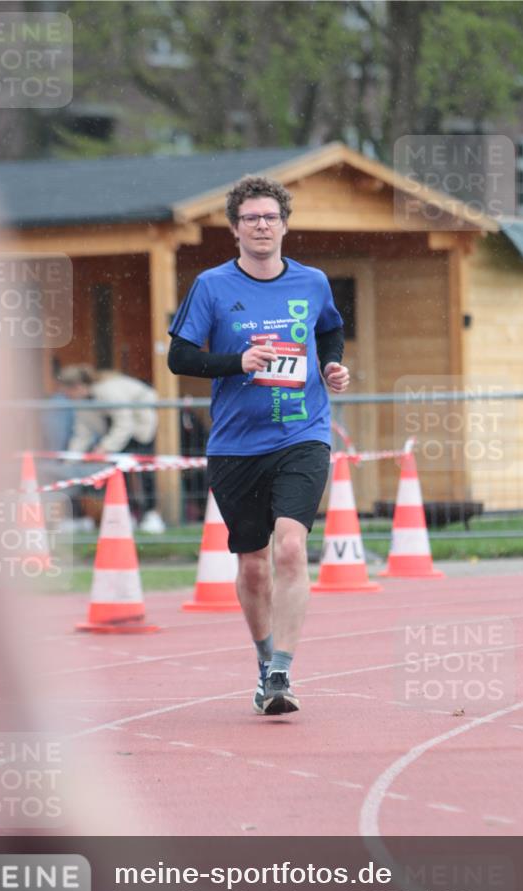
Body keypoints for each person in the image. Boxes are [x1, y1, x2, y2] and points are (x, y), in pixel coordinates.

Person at [168, 175, 349, 716]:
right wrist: (237, 362)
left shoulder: (313, 282)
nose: (262, 225)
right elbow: (180, 359)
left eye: (271, 216)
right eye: (252, 218)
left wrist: (333, 367)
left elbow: (329, 332)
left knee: (291, 547)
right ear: (235, 229)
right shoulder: (212, 286)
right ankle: (263, 658)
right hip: (236, 445)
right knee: (252, 563)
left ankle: (282, 671)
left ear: (285, 225)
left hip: (302, 433)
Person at [58, 364, 166, 533]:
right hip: (118, 434)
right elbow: (82, 433)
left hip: (140, 428)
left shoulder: (108, 391)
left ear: (78, 387)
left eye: (67, 392)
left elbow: (125, 422)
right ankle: (128, 515)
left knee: (144, 472)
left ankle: (150, 514)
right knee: (119, 473)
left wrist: (104, 448)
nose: (66, 396)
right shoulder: (82, 402)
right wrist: (70, 458)